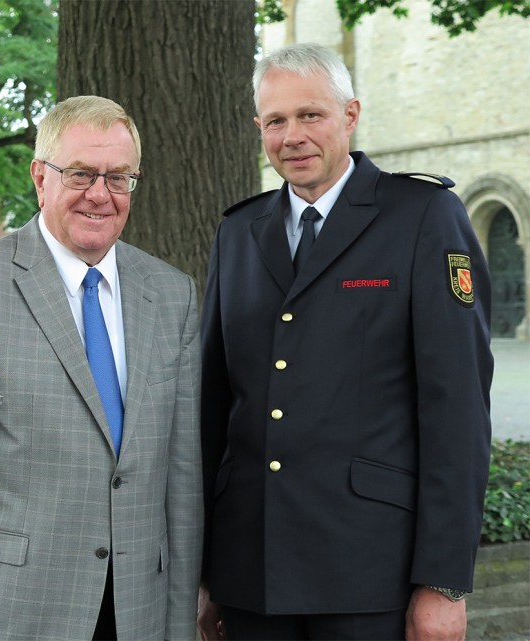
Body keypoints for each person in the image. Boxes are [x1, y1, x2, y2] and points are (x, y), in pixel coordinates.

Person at [198, 43, 492, 641]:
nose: (293, 136)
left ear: (350, 115)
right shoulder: (238, 232)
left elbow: (457, 410)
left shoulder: (422, 215)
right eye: (275, 121)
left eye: (311, 115)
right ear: (259, 128)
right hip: (251, 571)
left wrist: (444, 582)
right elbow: (212, 408)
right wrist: (204, 572)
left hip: (370, 571)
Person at [0, 95, 203, 641]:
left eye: (118, 178)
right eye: (80, 174)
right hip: (20, 605)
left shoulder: (172, 294)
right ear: (40, 177)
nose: (99, 194)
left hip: (141, 608)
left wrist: (181, 614)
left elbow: (182, 472)